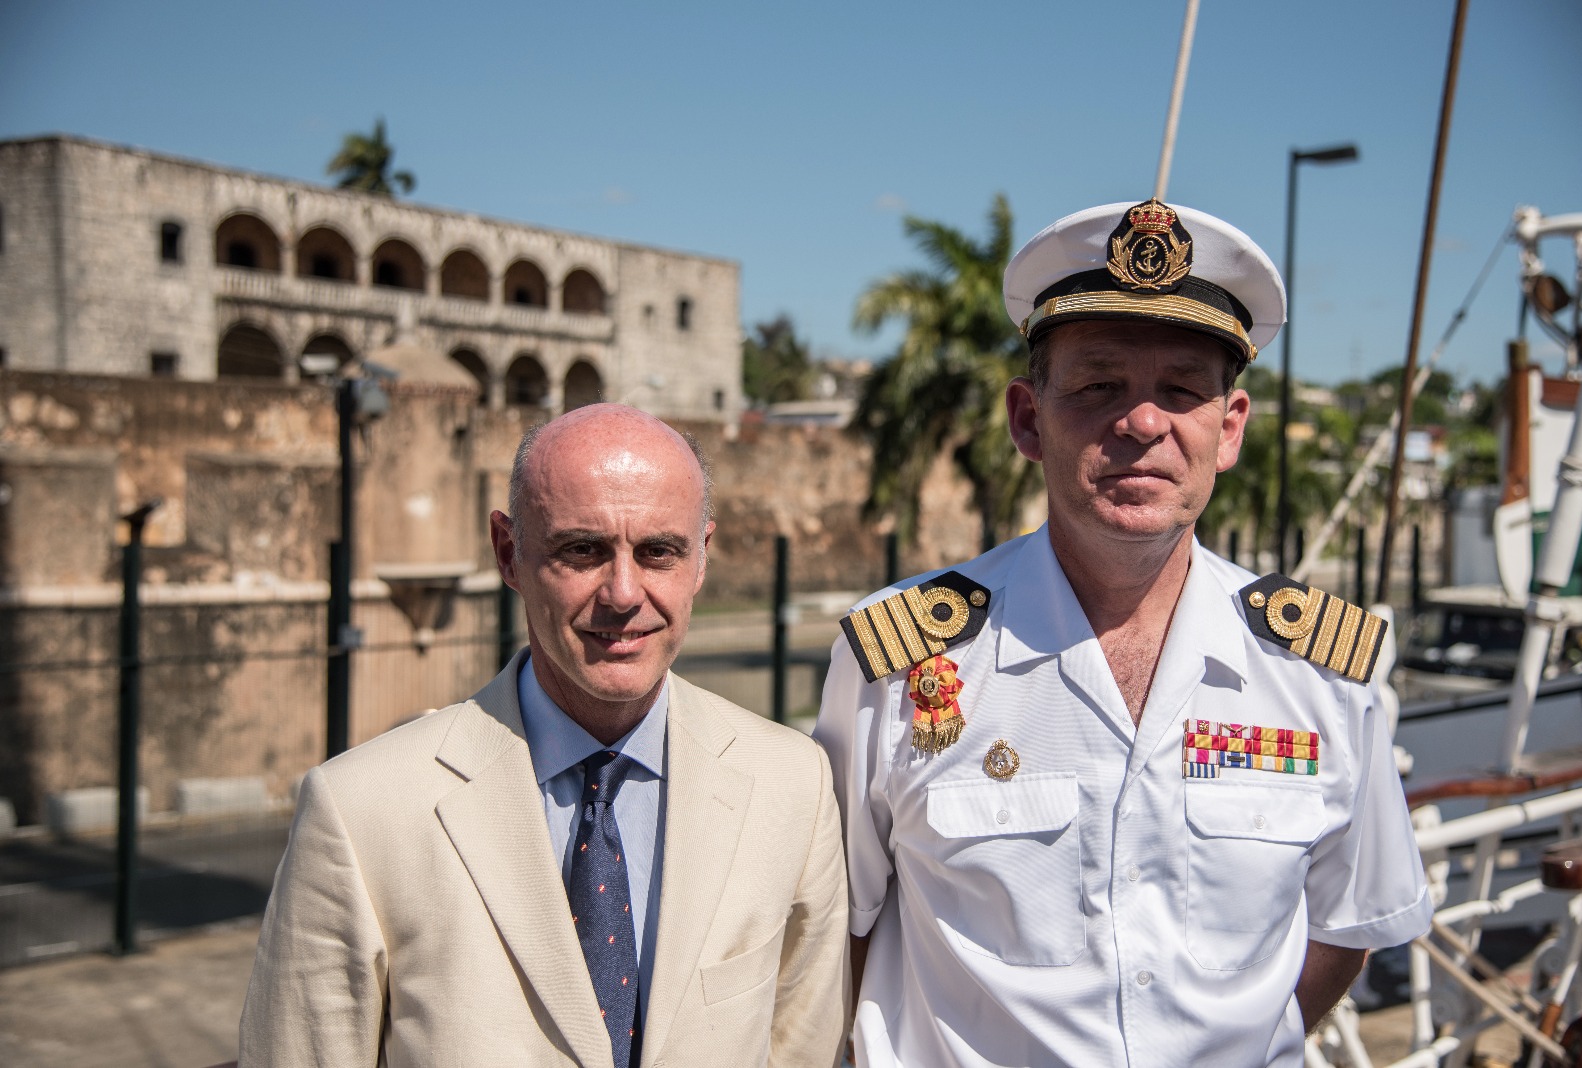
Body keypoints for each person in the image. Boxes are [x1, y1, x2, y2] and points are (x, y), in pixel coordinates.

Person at [814, 200, 1432, 1067]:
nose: (1142, 423)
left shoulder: (1321, 674)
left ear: (1229, 429)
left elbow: (1344, 929)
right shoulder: (900, 661)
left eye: (1181, 390)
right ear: (1027, 419)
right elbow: (835, 929)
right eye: (1099, 386)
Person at [241, 403, 849, 1067]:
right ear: (509, 553)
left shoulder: (793, 785)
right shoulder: (361, 812)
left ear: (701, 557)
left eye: (658, 552)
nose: (623, 593)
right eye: (582, 550)